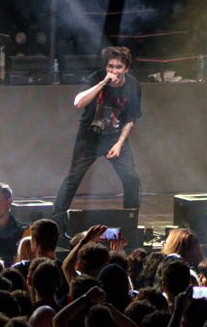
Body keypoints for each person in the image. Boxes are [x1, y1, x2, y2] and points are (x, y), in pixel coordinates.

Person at [51, 45, 142, 218]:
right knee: (73, 178)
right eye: (110, 66)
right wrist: (102, 83)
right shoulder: (97, 78)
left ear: (126, 68)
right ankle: (56, 221)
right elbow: (78, 102)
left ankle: (131, 221)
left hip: (114, 138)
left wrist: (119, 144)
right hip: (89, 138)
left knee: (131, 179)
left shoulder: (133, 86)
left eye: (118, 67)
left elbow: (131, 119)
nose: (114, 71)